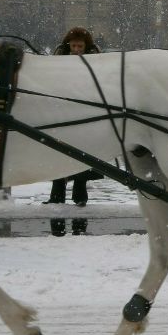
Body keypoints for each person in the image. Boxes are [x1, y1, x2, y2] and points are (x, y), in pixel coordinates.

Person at [44, 27, 103, 209]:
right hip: (62, 113)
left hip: (84, 114)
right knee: (58, 154)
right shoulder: (60, 60)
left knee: (81, 159)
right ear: (69, 44)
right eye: (74, 45)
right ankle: (57, 197)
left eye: (80, 46)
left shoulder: (95, 62)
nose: (76, 49)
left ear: (86, 46)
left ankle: (79, 198)